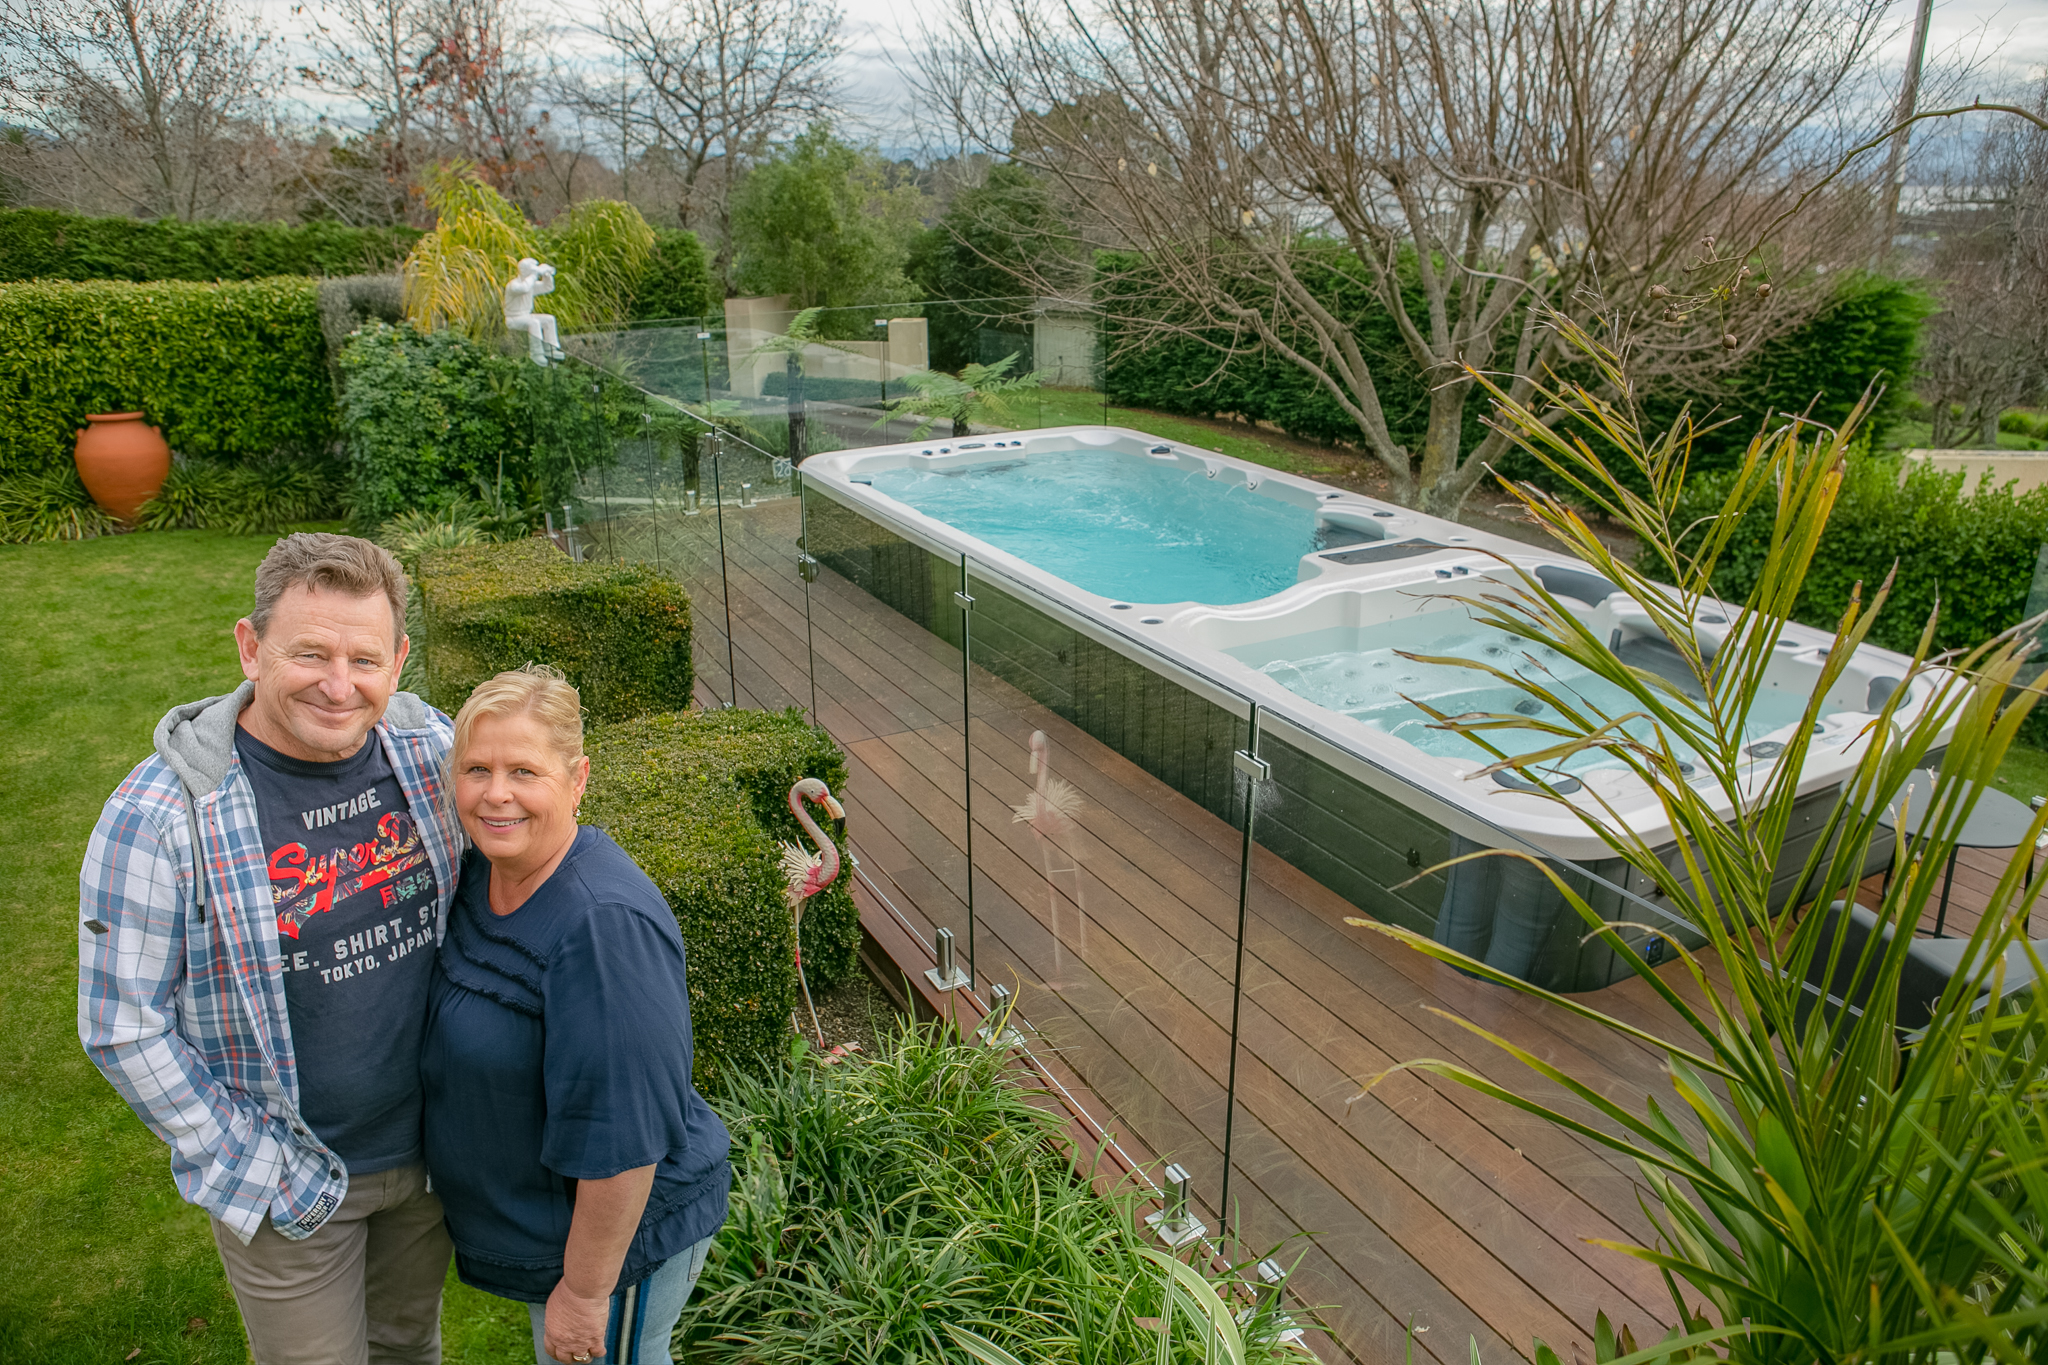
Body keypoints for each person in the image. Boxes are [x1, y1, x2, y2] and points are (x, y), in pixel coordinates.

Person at [78, 533, 465, 1365]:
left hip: (431, 1154)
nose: (339, 684)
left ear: (398, 660)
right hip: (293, 1176)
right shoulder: (156, 818)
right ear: (251, 649)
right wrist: (248, 1161)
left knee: (409, 1347)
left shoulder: (433, 749)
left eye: (365, 659)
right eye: (310, 653)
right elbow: (121, 1023)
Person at [422, 665, 730, 1365]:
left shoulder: (602, 927)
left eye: (524, 771)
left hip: (615, 1249)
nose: (496, 793)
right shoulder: (488, 870)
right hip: (546, 1229)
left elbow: (625, 1139)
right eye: (476, 769)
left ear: (577, 779)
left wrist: (587, 1293)